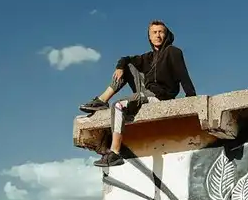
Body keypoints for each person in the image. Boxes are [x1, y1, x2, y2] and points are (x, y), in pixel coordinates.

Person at [79, 19, 197, 167]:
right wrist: (120, 66)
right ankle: (102, 100)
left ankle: (114, 153)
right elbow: (126, 59)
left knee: (118, 105)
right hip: (145, 91)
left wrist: (191, 98)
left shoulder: (173, 52)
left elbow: (183, 75)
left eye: (161, 32)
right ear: (149, 36)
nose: (158, 35)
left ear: (166, 34)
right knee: (128, 66)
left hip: (159, 96)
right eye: (154, 32)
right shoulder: (148, 57)